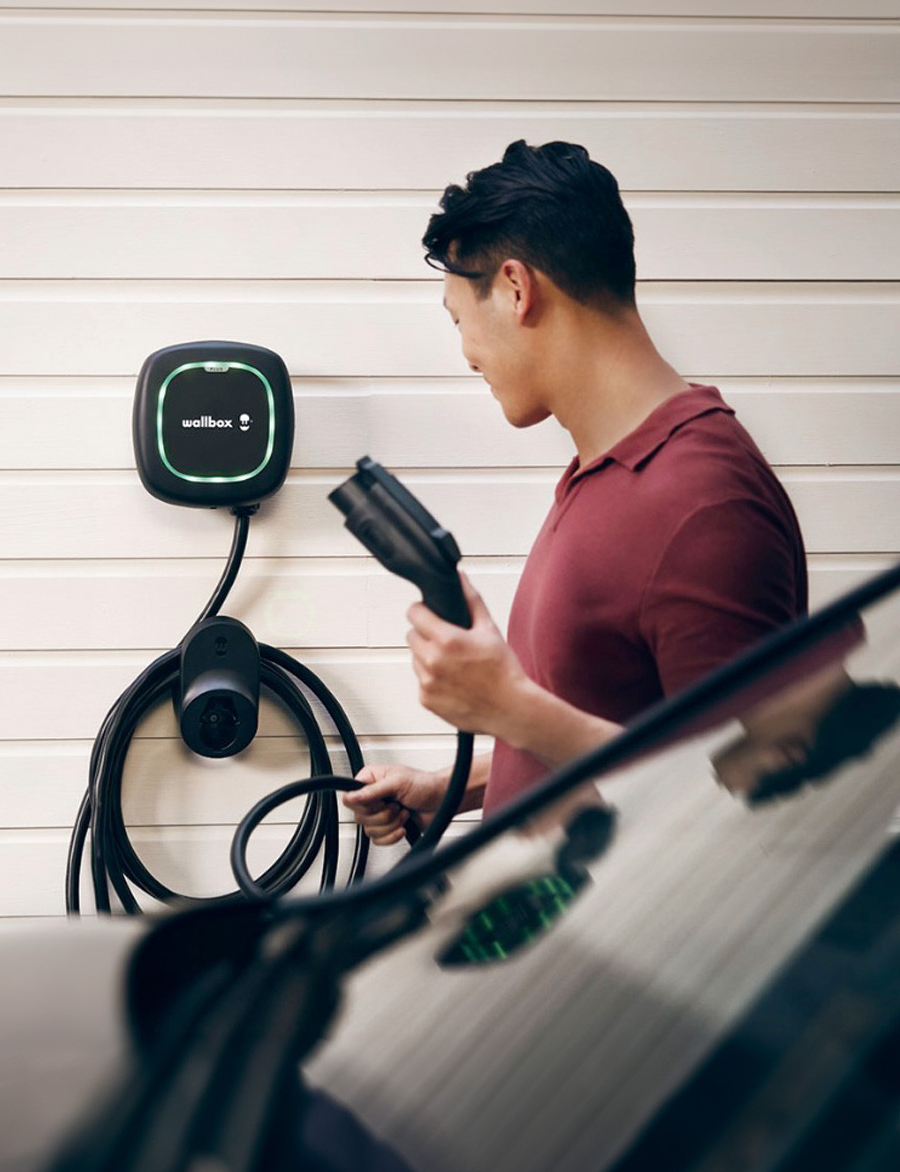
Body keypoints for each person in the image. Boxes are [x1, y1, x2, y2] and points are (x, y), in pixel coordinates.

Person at [345, 140, 808, 840]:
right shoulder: (608, 469)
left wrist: (505, 707)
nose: (466, 352)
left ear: (515, 289)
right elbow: (615, 717)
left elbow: (747, 803)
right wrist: (457, 787)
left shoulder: (704, 505)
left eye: (457, 319)